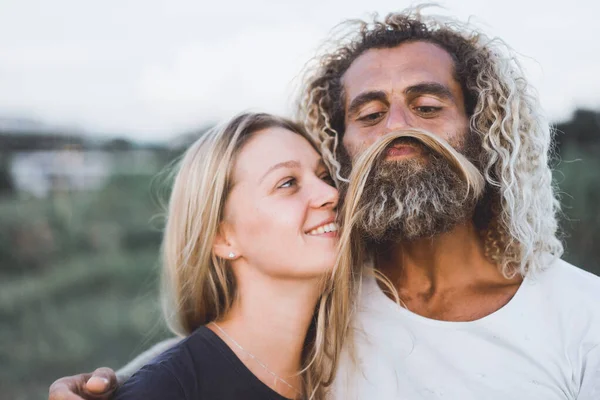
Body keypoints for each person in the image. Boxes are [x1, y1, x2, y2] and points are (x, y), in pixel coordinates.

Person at [49, 7, 600, 400]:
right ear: (341, 148)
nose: (398, 128)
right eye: (369, 114)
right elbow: (221, 353)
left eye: (428, 105)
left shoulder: (581, 317)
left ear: (480, 129)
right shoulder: (327, 296)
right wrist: (119, 386)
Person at [102, 112, 348, 400]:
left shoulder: (344, 370)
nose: (331, 193)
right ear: (222, 237)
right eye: (287, 183)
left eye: (324, 176)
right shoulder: (166, 391)